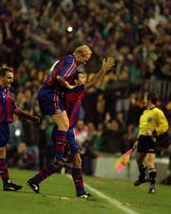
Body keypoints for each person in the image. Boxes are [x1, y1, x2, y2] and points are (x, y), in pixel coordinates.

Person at [27, 57, 115, 198]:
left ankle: (35, 181)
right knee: (71, 160)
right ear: (74, 81)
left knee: (67, 161)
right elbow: (93, 83)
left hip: (68, 130)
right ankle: (80, 192)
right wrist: (103, 70)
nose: (85, 79)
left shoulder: (76, 91)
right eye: (82, 77)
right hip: (65, 130)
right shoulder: (73, 91)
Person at [37, 44, 92, 167]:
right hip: (52, 93)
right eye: (85, 59)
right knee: (64, 124)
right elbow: (60, 76)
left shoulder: (65, 59)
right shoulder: (72, 63)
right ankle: (58, 157)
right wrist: (68, 86)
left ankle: (58, 156)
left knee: (63, 125)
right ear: (80, 54)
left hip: (48, 92)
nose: (85, 62)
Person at [133, 91, 169, 194]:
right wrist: (137, 140)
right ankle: (142, 177)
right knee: (139, 160)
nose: (143, 100)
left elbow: (165, 126)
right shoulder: (144, 113)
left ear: (149, 100)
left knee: (149, 162)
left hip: (151, 139)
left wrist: (154, 132)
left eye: (145, 98)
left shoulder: (157, 112)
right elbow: (142, 128)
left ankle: (152, 187)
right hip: (142, 139)